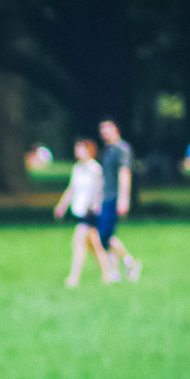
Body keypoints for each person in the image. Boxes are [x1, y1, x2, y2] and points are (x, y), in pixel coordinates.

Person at [53, 139, 106, 288]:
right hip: (79, 210)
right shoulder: (77, 168)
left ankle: (74, 278)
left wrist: (93, 205)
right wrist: (62, 206)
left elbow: (99, 189)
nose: (78, 152)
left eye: (81, 149)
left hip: (90, 212)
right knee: (94, 245)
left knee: (78, 243)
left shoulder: (95, 169)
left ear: (89, 150)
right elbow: (72, 189)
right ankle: (107, 274)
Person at [95, 119, 142, 281]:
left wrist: (123, 199)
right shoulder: (108, 149)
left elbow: (124, 174)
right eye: (102, 130)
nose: (104, 133)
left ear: (116, 129)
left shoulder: (122, 149)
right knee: (109, 235)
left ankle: (130, 262)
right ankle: (115, 271)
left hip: (114, 197)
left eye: (107, 129)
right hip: (105, 197)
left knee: (104, 236)